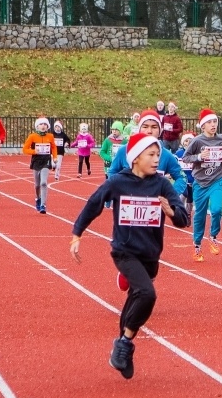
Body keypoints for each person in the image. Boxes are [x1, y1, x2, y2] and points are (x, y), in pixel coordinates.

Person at [70, 133, 189, 379]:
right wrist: (77, 234)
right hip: (124, 252)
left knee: (136, 298)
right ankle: (125, 343)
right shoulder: (117, 183)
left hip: (151, 255)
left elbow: (183, 220)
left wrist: (170, 212)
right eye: (152, 155)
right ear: (135, 158)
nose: (158, 160)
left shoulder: (162, 185)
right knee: (147, 293)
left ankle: (121, 349)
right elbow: (93, 204)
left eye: (158, 155)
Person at [182, 109, 222, 261]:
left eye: (214, 121)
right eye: (209, 122)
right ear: (203, 126)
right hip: (200, 183)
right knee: (200, 216)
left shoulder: (221, 139)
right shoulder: (197, 141)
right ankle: (197, 246)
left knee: (217, 209)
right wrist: (199, 157)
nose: (213, 124)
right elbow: (186, 158)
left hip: (216, 180)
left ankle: (213, 236)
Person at [109, 110, 187, 196]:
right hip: (128, 205)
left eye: (154, 127)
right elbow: (112, 172)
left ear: (160, 130)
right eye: (145, 127)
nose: (149, 131)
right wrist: (117, 192)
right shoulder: (124, 151)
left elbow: (181, 177)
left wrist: (170, 196)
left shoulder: (166, 155)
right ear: (139, 129)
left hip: (156, 207)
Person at [22, 116, 58, 214]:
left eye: (45, 124)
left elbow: (54, 147)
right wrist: (34, 151)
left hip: (46, 160)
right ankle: (38, 198)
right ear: (37, 126)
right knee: (37, 185)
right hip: (36, 161)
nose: (43, 126)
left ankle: (43, 205)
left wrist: (55, 158)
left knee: (43, 183)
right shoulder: (32, 136)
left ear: (48, 126)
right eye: (41, 124)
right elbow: (25, 149)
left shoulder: (50, 136)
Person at [100, 121, 126, 209]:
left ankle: (118, 200)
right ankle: (107, 200)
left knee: (119, 183)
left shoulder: (124, 141)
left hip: (119, 166)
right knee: (109, 183)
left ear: (120, 131)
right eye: (113, 129)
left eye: (116, 130)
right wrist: (109, 158)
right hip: (109, 165)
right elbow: (102, 152)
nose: (114, 131)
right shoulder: (107, 140)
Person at [175, 132, 196, 225]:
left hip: (192, 179)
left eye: (190, 140)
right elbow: (174, 164)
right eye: (186, 141)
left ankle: (188, 214)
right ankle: (179, 209)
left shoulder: (195, 153)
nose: (188, 142)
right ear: (183, 143)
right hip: (183, 179)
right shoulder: (179, 153)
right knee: (184, 194)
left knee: (190, 199)